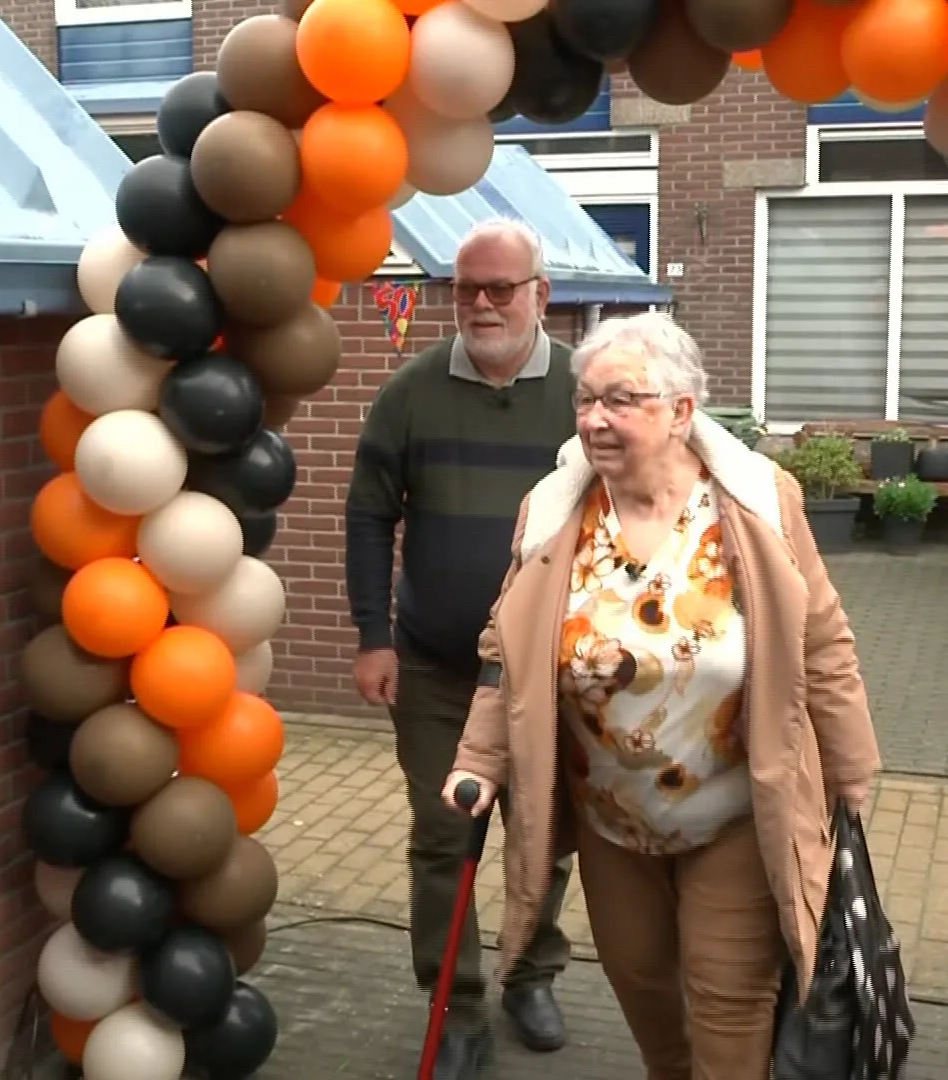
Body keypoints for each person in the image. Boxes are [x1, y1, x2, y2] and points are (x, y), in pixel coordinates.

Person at [443, 312, 884, 1080]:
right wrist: (478, 758)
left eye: (620, 399)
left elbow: (823, 641)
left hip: (738, 812)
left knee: (729, 1003)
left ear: (683, 410)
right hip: (612, 818)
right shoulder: (553, 513)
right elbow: (501, 652)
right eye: (584, 400)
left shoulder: (755, 503)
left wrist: (850, 773)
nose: (594, 419)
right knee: (643, 986)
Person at [344, 218, 577, 1076]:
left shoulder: (585, 396)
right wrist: (374, 638)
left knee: (542, 835)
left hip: (551, 672)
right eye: (465, 287)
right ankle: (458, 1006)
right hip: (437, 668)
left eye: (500, 288)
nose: (480, 303)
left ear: (540, 294)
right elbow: (369, 515)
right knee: (445, 838)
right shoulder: (408, 392)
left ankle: (530, 974)